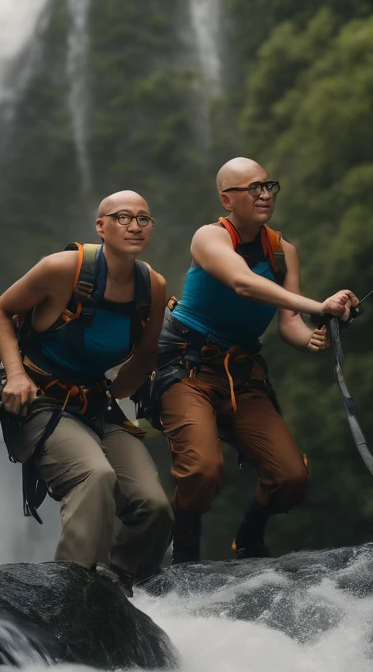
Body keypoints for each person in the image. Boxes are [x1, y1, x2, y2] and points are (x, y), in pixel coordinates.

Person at [151, 157, 358, 563]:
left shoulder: (283, 252)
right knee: (202, 469)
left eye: (268, 186)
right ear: (227, 199)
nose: (264, 195)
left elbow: (290, 324)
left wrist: (320, 332)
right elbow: (243, 283)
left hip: (243, 374)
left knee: (291, 477)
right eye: (253, 189)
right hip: (187, 368)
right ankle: (186, 551)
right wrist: (319, 303)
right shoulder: (209, 238)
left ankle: (249, 535)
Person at [0, 191, 173, 594]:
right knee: (95, 475)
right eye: (123, 217)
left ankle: (121, 589)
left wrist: (138, 393)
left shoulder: (152, 287)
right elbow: (0, 311)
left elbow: (143, 357)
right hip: (39, 400)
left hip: (95, 404)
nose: (135, 226)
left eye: (144, 219)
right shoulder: (63, 269)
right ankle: (73, 592)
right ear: (100, 227)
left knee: (154, 507)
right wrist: (16, 376)